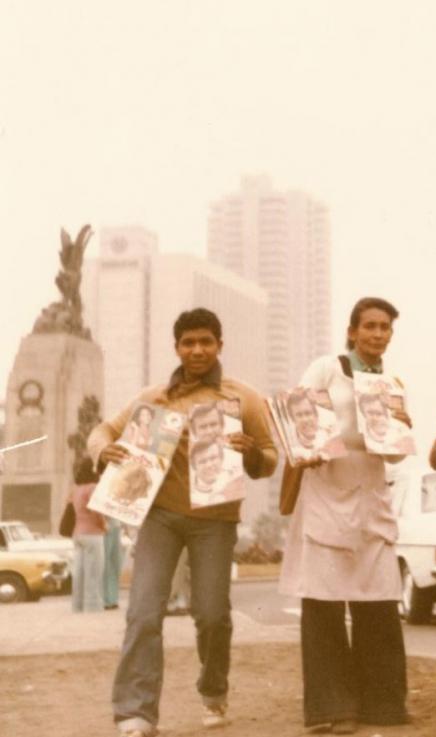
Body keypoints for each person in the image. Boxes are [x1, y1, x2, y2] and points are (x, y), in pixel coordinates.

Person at [87, 308, 278, 737]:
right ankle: (135, 713)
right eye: (188, 342)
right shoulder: (154, 398)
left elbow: (268, 460)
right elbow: (102, 430)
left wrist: (249, 452)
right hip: (161, 517)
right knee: (143, 613)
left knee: (211, 615)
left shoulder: (243, 398)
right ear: (176, 347)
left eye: (205, 341)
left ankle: (213, 689)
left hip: (216, 520)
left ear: (219, 345)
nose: (197, 350)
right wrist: (103, 452)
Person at [279, 297, 411, 733]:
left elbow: (393, 455)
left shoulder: (391, 382)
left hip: (371, 496)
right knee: (324, 603)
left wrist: (401, 427)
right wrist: (310, 444)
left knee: (378, 601)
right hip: (325, 492)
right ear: (353, 331)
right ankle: (330, 709)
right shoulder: (325, 369)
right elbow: (298, 414)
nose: (377, 334)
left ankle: (382, 705)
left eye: (385, 327)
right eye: (369, 326)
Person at [70, 456, 106, 612]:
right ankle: (92, 605)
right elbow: (96, 509)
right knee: (94, 571)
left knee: (79, 572)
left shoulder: (76, 488)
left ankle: (77, 604)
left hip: (77, 533)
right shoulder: (93, 487)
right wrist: (104, 524)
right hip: (93, 533)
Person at [103, 517, 123, 611]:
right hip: (106, 526)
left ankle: (112, 599)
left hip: (116, 526)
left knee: (114, 564)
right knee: (106, 565)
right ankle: (106, 600)